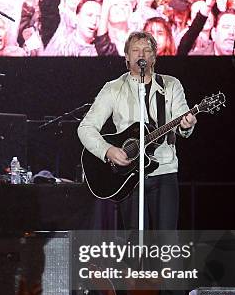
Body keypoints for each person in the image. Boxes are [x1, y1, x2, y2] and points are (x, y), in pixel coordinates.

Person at [78, 30, 196, 230]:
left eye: (146, 50)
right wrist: (108, 150)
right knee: (135, 242)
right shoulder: (113, 88)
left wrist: (187, 125)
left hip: (164, 171)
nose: (141, 55)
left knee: (166, 241)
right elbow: (86, 127)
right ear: (127, 56)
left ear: (154, 56)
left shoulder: (171, 85)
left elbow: (183, 117)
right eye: (135, 50)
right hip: (129, 176)